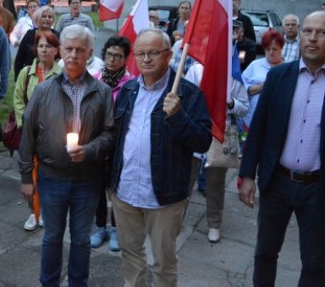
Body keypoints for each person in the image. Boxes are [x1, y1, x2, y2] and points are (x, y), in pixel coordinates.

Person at [239, 11, 325, 286]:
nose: (312, 38)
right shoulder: (278, 78)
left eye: (321, 33)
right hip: (277, 182)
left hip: (320, 190)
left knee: (314, 264)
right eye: (307, 31)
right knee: (264, 254)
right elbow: (258, 129)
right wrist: (248, 174)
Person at [109, 28, 211, 286]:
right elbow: (117, 137)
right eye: (140, 53)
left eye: (153, 52)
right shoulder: (128, 90)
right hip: (126, 191)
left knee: (164, 263)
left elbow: (202, 140)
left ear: (168, 55)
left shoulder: (187, 94)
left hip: (164, 197)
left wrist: (178, 116)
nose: (145, 59)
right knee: (131, 255)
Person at [19, 24, 114, 286]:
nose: (73, 54)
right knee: (51, 237)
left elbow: (109, 134)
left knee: (82, 240)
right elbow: (27, 133)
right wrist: (27, 176)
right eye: (69, 48)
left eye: (80, 50)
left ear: (89, 53)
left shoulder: (102, 92)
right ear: (60, 51)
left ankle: (77, 283)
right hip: (51, 178)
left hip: (87, 180)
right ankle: (48, 283)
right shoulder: (43, 90)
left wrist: (90, 150)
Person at [185, 63, 249, 243]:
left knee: (215, 182)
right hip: (196, 130)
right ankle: (175, 222)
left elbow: (244, 108)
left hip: (222, 133)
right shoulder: (195, 70)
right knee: (185, 179)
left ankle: (214, 224)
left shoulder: (233, 76)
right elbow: (185, 99)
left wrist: (231, 102)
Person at [14, 30, 62, 231]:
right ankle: (33, 212)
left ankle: (46, 210)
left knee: (49, 175)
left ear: (56, 50)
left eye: (49, 46)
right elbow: (17, 100)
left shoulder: (61, 74)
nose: (44, 50)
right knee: (30, 174)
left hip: (52, 135)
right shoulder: (26, 73)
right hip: (30, 133)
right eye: (41, 46)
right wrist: (26, 125)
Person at [90, 35, 134, 252]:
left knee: (116, 189)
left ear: (125, 59)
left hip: (120, 146)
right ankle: (100, 227)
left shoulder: (131, 84)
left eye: (118, 56)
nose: (112, 59)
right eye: (109, 54)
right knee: (97, 188)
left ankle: (116, 229)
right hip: (98, 145)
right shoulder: (95, 79)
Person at [241, 30, 285, 129]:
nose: (271, 52)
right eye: (268, 49)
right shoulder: (255, 65)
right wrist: (261, 87)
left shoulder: (288, 68)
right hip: (252, 120)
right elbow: (241, 88)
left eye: (274, 49)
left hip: (277, 122)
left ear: (281, 49)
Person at [14, 5, 58, 79]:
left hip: (52, 76)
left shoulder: (57, 36)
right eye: (44, 16)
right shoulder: (29, 35)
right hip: (30, 76)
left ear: (53, 20)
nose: (47, 19)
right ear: (38, 18)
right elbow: (19, 59)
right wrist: (18, 78)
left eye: (50, 17)